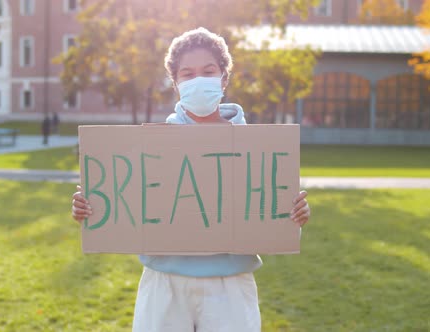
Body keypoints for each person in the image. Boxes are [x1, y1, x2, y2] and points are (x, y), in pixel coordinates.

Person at [71, 27, 311, 332]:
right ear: (175, 83)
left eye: (208, 71)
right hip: (165, 285)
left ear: (224, 78)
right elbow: (123, 203)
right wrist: (89, 208)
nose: (198, 80)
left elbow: (269, 221)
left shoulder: (257, 147)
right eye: (187, 74)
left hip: (230, 288)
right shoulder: (151, 145)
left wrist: (294, 217)